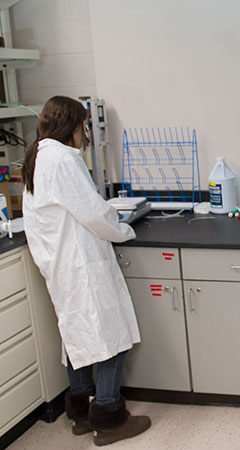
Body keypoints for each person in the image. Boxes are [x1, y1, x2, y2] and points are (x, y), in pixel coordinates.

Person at [22, 96, 151, 446]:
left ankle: (80, 413)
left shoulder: (36, 156)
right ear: (76, 126)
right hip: (81, 265)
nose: (85, 134)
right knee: (110, 339)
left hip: (60, 265)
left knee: (78, 337)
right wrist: (124, 228)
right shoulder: (63, 158)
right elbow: (93, 212)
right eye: (84, 127)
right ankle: (109, 419)